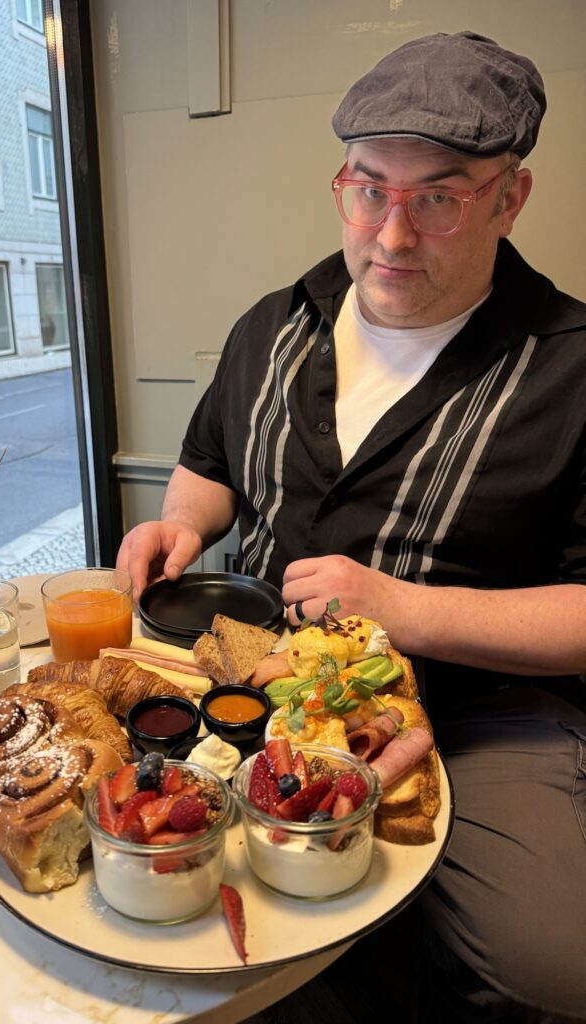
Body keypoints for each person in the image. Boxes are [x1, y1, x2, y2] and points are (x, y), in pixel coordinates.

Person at [116, 31, 586, 1022]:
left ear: (511, 196)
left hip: (480, 713)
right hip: (258, 684)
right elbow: (209, 463)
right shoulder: (276, 326)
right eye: (370, 189)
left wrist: (400, 609)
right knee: (151, 899)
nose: (392, 235)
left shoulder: (569, 367)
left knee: (548, 971)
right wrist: (180, 528)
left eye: (440, 198)